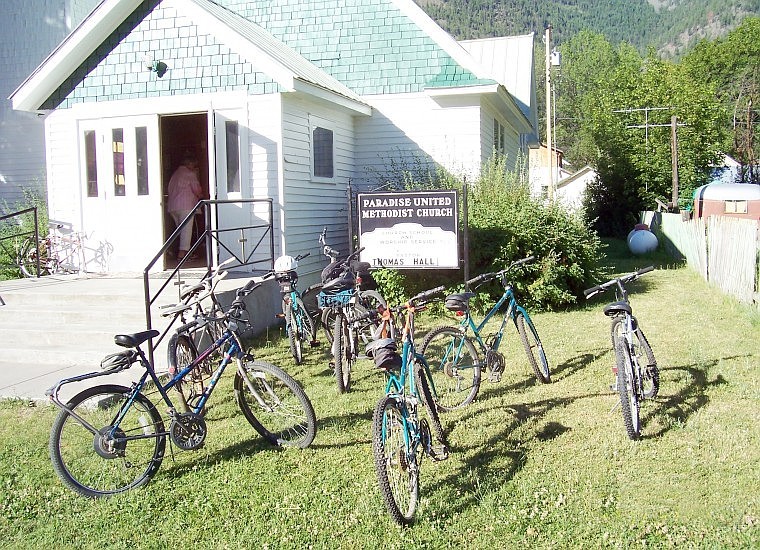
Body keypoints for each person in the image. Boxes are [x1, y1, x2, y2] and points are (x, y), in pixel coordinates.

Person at [167, 154, 204, 260]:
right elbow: (196, 189)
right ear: (189, 164)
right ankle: (183, 254)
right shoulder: (189, 174)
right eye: (194, 165)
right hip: (185, 205)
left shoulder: (175, 174)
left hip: (172, 206)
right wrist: (201, 195)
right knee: (186, 231)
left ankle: (179, 252)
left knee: (179, 230)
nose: (195, 167)